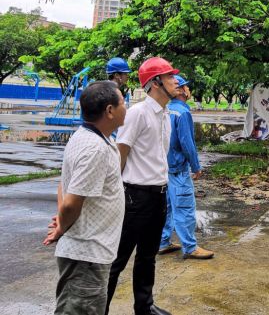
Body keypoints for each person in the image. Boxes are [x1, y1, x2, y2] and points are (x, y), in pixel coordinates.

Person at [44, 81, 127, 315]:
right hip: (86, 254)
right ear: (110, 111)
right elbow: (71, 202)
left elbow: (64, 183)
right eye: (122, 102)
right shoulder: (95, 148)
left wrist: (62, 222)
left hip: (92, 251)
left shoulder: (94, 138)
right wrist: (62, 227)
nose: (126, 106)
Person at [105, 57, 180, 315]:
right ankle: (99, 309)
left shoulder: (167, 115)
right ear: (155, 82)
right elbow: (121, 152)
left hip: (158, 195)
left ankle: (144, 307)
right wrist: (116, 194)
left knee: (148, 257)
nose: (176, 81)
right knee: (118, 259)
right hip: (135, 196)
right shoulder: (138, 113)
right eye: (170, 77)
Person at [158, 75, 214, 260]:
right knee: (184, 208)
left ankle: (163, 242)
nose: (189, 90)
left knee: (166, 208)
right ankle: (190, 247)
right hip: (179, 169)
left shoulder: (166, 110)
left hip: (164, 169)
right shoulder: (182, 113)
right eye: (186, 87)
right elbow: (187, 144)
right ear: (181, 90)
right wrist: (196, 166)